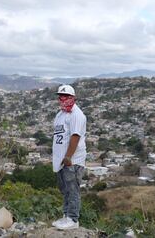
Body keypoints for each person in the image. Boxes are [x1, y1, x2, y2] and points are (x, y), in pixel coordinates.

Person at [51, 84, 87, 230]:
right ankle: (66, 215)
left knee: (72, 189)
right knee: (65, 189)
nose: (62, 98)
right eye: (60, 96)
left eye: (66, 96)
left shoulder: (77, 115)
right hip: (61, 160)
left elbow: (75, 136)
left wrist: (68, 156)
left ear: (73, 98)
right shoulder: (61, 114)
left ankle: (73, 219)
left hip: (72, 160)